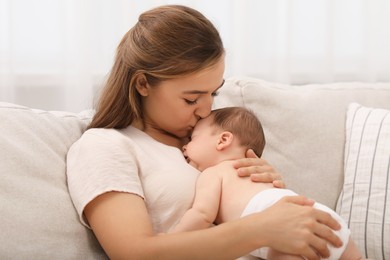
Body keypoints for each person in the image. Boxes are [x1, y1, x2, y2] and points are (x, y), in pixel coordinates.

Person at [66, 5, 343, 259]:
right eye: (191, 99)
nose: (206, 110)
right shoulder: (105, 146)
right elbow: (134, 253)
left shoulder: (208, 140)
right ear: (142, 84)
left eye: (214, 92)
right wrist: (261, 227)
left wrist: (264, 190)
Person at [171, 106, 362, 259]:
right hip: (319, 215)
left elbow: (202, 214)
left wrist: (171, 240)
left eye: (192, 138)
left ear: (223, 140)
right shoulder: (255, 170)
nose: (185, 146)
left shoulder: (214, 172)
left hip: (283, 230)